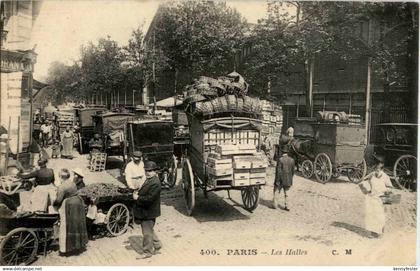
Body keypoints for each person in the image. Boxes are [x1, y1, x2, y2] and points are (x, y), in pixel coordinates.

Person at [53, 168, 88, 255]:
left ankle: (66, 248)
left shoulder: (62, 186)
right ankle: (78, 245)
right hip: (78, 202)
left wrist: (54, 206)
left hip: (69, 205)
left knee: (66, 226)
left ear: (61, 177)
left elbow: (58, 200)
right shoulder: (72, 183)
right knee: (76, 225)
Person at [132, 161, 162, 259]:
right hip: (147, 210)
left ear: (155, 171)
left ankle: (147, 252)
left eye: (150, 171)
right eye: (146, 170)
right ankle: (157, 245)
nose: (147, 172)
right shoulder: (149, 179)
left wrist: (138, 198)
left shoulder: (156, 183)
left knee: (146, 233)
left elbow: (150, 199)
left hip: (149, 211)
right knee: (149, 230)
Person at [360, 154, 393, 238]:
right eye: (376, 168)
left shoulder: (386, 177)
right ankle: (372, 232)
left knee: (380, 216)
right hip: (372, 198)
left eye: (378, 169)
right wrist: (366, 188)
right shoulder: (372, 174)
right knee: (371, 215)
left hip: (380, 199)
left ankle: (380, 232)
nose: (377, 171)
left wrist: (387, 202)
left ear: (382, 168)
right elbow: (363, 181)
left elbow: (390, 188)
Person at [273, 144, 295, 211]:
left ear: (282, 152)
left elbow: (278, 171)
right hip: (288, 180)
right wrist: (290, 178)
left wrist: (277, 181)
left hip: (280, 180)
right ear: (287, 152)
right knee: (287, 193)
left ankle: (275, 205)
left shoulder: (280, 160)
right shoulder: (292, 160)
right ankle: (287, 206)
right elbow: (293, 171)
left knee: (276, 191)